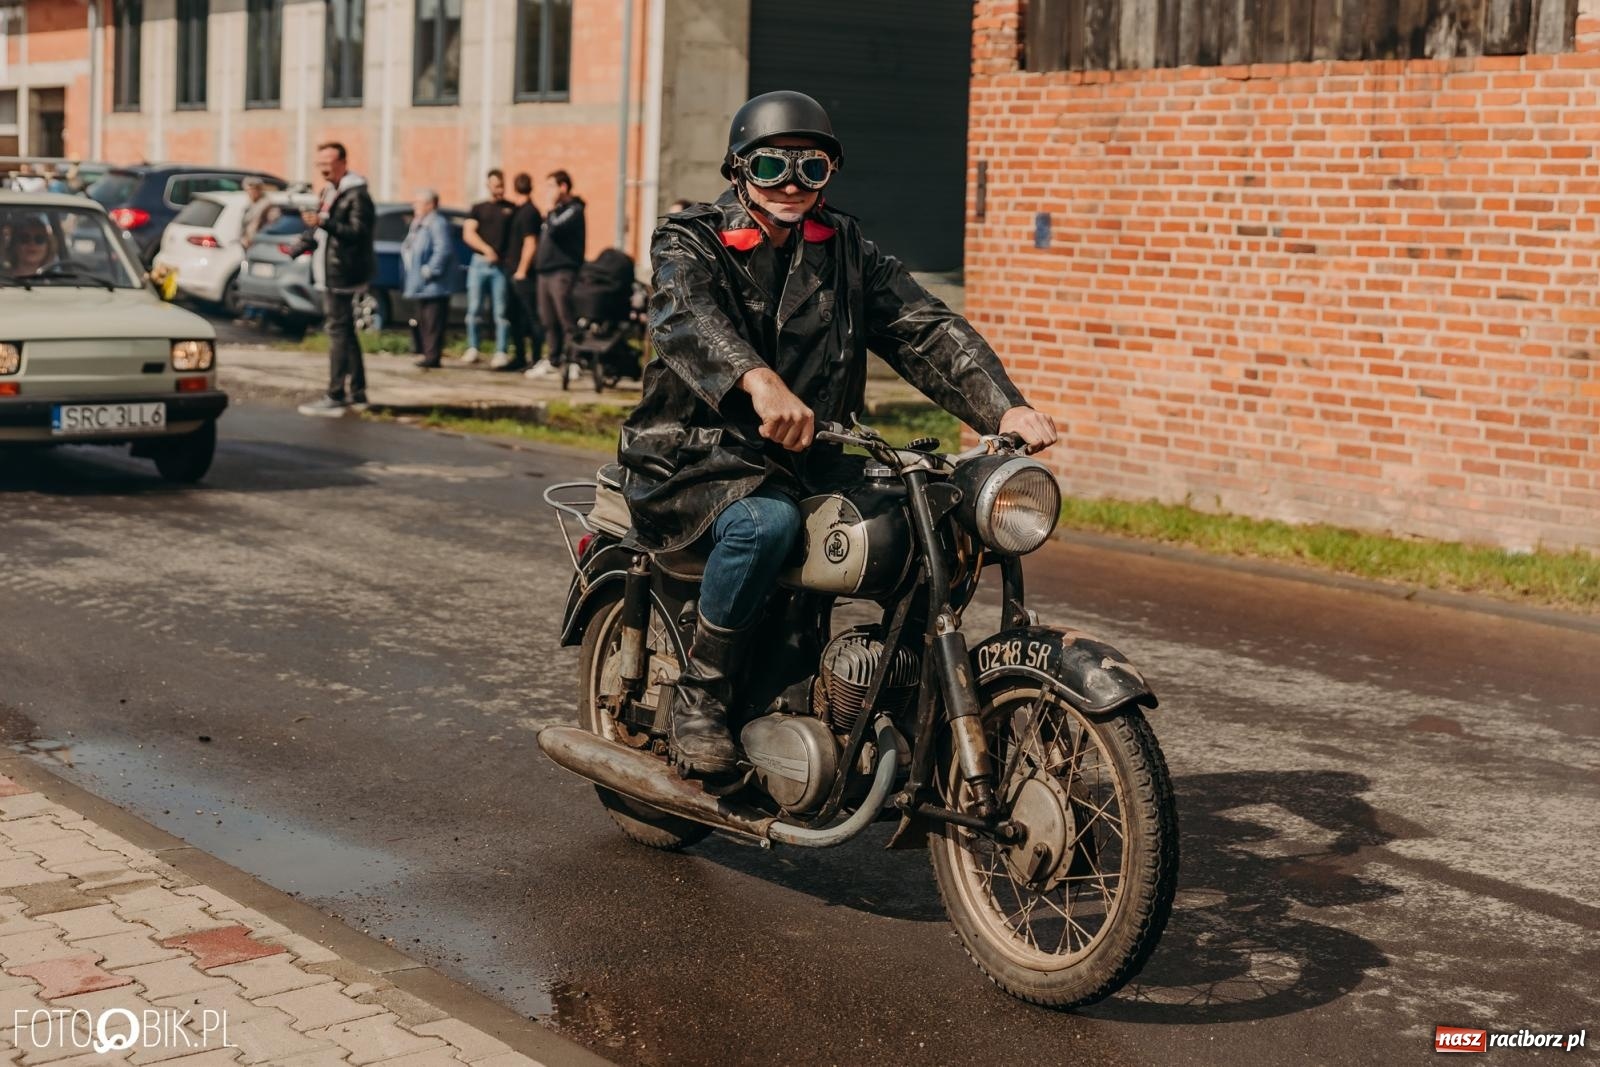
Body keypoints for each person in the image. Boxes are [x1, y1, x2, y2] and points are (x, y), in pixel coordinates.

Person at [618, 91, 1059, 777]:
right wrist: (759, 383)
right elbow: (686, 316)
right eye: (771, 166)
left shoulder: (846, 249)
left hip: (810, 455)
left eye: (811, 168)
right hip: (697, 457)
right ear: (739, 170)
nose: (792, 182)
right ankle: (700, 694)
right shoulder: (691, 240)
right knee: (763, 525)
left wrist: (1003, 407)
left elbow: (924, 327)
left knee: (932, 515)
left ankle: (896, 687)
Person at [294, 141, 377, 418]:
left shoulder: (356, 195)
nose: (323, 169)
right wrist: (302, 243)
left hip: (344, 273)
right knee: (345, 331)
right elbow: (322, 231)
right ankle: (358, 392)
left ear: (342, 162)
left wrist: (323, 222)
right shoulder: (330, 191)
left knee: (338, 332)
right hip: (330, 271)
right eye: (319, 164)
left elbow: (357, 231)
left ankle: (336, 393)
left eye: (327, 164)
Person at [524, 170, 586, 379]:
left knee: (565, 317)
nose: (547, 191)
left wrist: (550, 210)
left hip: (563, 271)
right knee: (548, 319)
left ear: (563, 187)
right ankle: (553, 358)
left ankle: (574, 361)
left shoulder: (574, 209)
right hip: (545, 271)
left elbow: (556, 230)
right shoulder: (554, 212)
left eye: (551, 186)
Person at [462, 169, 515, 366]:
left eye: (501, 186)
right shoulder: (478, 208)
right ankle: (473, 347)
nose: (499, 190)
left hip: (500, 266)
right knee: (474, 307)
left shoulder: (510, 209)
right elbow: (468, 234)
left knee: (500, 311)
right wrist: (486, 250)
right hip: (479, 263)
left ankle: (501, 350)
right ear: (488, 185)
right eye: (495, 186)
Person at [401, 188, 455, 369]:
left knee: (433, 321)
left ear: (430, 204)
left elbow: (443, 249)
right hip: (421, 284)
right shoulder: (420, 223)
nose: (413, 205)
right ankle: (427, 353)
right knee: (424, 321)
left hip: (434, 284)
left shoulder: (437, 223)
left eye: (418, 202)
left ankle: (432, 356)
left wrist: (430, 270)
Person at [501, 172, 544, 372]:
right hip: (512, 271)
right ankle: (519, 356)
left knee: (530, 316)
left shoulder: (529, 212)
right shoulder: (518, 210)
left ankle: (534, 358)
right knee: (513, 315)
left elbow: (530, 242)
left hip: (522, 274)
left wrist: (521, 271)